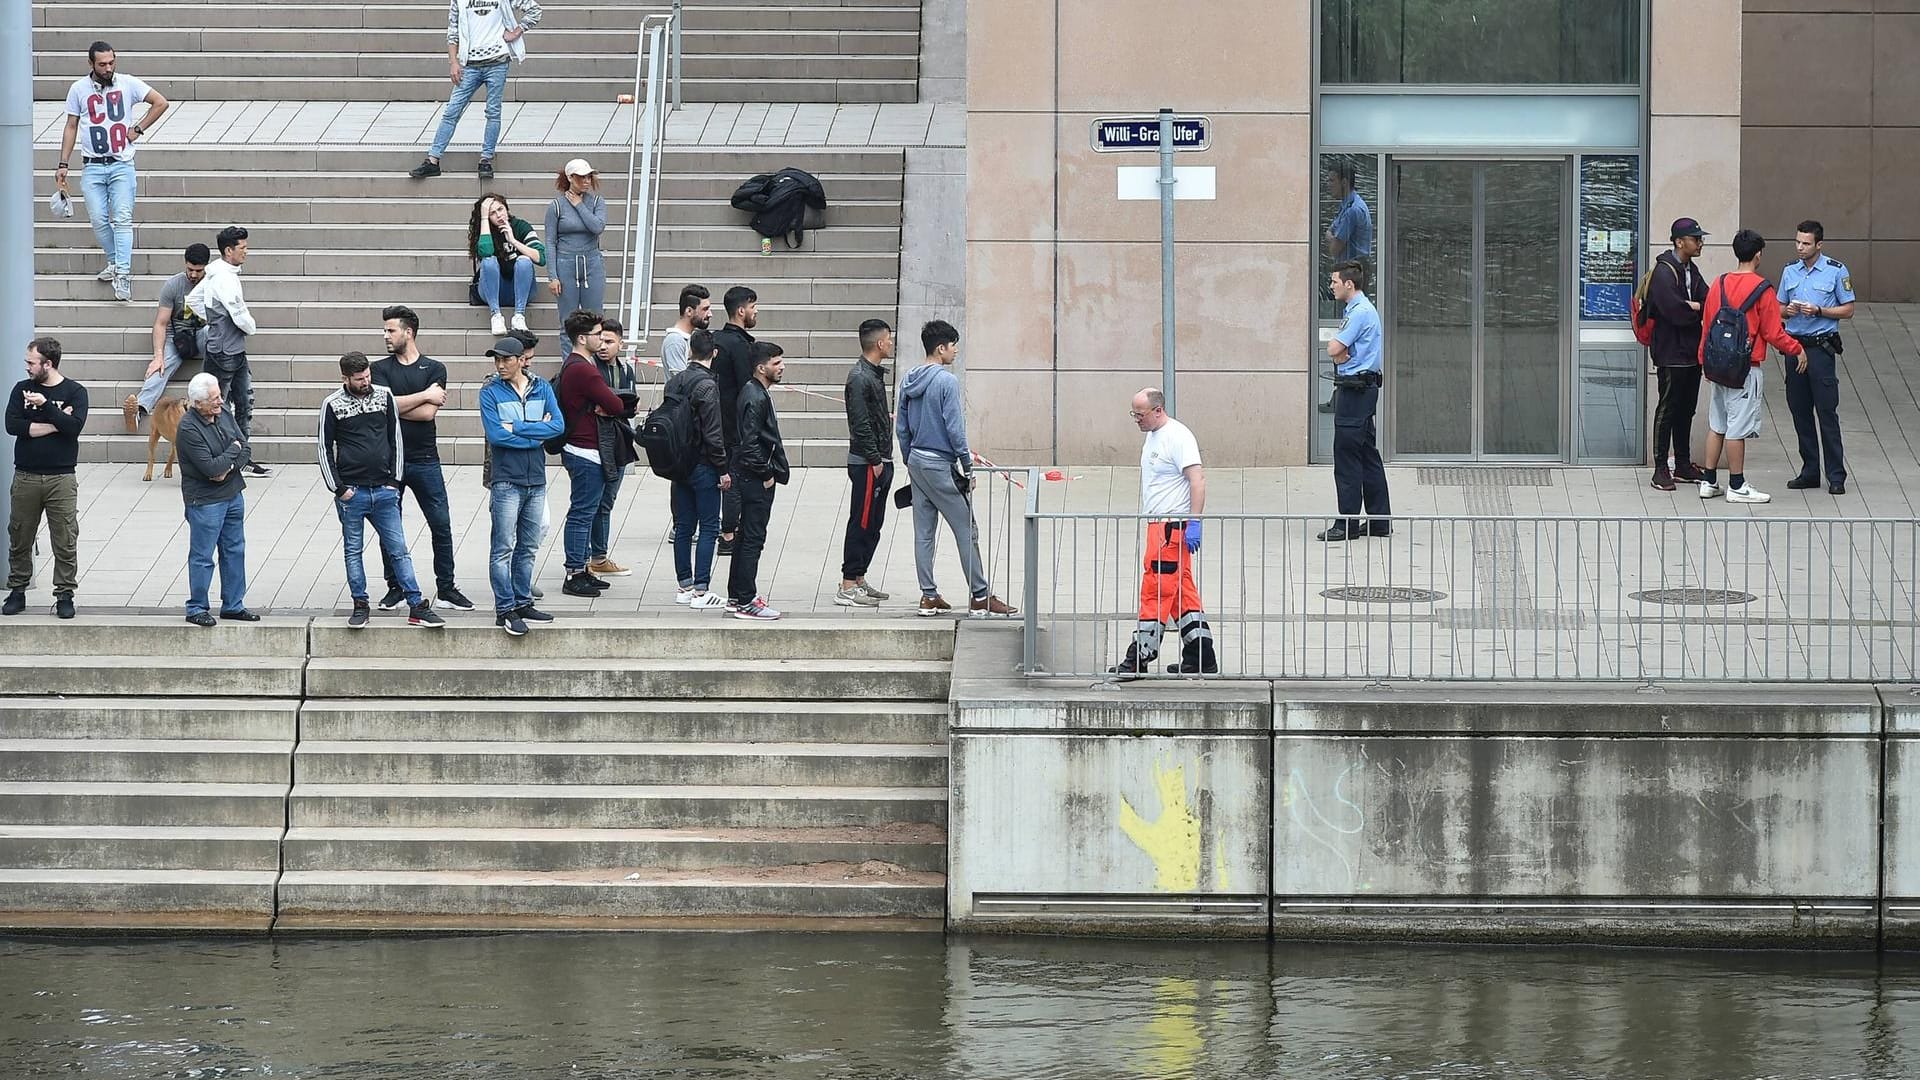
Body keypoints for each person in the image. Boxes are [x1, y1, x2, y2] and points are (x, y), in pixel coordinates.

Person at [896, 320, 1016, 618]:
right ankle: (979, 596)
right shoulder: (946, 382)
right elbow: (955, 429)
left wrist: (909, 458)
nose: (956, 351)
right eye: (953, 346)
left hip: (917, 462)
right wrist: (967, 467)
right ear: (941, 348)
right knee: (967, 530)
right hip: (940, 464)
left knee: (924, 533)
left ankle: (928, 596)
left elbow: (901, 426)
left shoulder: (909, 378)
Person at [318, 352, 445, 629]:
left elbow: (395, 439)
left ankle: (416, 604)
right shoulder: (332, 404)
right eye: (359, 379)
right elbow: (324, 448)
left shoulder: (384, 396)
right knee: (353, 550)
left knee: (399, 549)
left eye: (367, 376)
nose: (365, 382)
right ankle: (360, 604)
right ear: (345, 379)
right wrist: (339, 489)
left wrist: (394, 482)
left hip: (384, 489)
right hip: (352, 491)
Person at [372, 305, 473, 612]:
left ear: (409, 332)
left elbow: (429, 413)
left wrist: (403, 404)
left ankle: (446, 587)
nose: (386, 336)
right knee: (390, 527)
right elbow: (383, 407)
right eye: (385, 330)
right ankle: (396, 587)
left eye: (391, 330)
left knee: (441, 524)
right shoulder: (379, 369)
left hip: (425, 458)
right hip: (391, 461)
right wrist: (423, 395)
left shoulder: (434, 368)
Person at [1111, 388, 1217, 676]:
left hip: (1169, 528)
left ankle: (1139, 656)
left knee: (1155, 589)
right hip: (1164, 526)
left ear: (1158, 410)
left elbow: (1198, 480)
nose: (1136, 420)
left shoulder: (1178, 437)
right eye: (1133, 414)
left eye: (1140, 414)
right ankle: (1201, 656)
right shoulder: (1155, 435)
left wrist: (1194, 521)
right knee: (1182, 593)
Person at [1696, 229, 1804, 506]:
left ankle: (1708, 481)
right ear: (1757, 255)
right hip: (1745, 367)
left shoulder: (1718, 284)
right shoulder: (1762, 289)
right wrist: (1797, 349)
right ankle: (1737, 484)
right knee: (1737, 428)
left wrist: (1703, 361)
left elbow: (1707, 328)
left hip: (1717, 365)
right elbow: (1772, 332)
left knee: (1717, 424)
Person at [56, 41, 168, 303]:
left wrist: (138, 129)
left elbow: (160, 102)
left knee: (123, 218)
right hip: (93, 164)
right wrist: (63, 163)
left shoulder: (126, 83)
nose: (108, 69)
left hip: (121, 163)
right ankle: (115, 262)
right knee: (97, 218)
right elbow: (71, 125)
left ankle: (123, 273)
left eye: (111, 63)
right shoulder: (79, 89)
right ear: (91, 64)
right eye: (102, 64)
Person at [479, 336, 563, 634]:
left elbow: (558, 426)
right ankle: (505, 608)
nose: (500, 365)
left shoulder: (542, 387)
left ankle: (523, 600)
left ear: (521, 361)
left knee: (527, 545)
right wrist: (537, 433)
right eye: (497, 360)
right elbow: (496, 436)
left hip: (535, 479)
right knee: (502, 547)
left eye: (506, 360)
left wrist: (518, 427)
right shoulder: (490, 393)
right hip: (506, 481)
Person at [409, 0, 543, 181]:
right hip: (470, 64)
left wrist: (516, 32)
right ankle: (433, 160)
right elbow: (453, 30)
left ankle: (486, 159)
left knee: (493, 111)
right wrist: (453, 62)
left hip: (497, 61)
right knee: (452, 111)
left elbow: (534, 9)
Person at [4, 338, 88, 620]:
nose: (27, 367)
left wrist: (46, 407)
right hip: (26, 474)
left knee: (64, 538)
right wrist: (56, 423)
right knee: (20, 534)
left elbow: (74, 428)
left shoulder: (75, 392)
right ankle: (18, 589)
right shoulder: (21, 389)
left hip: (61, 477)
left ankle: (64, 593)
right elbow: (13, 425)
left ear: (47, 364)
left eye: (31, 362)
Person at [554, 310, 630, 598]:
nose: (601, 339)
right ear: (582, 338)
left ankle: (583, 567)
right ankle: (574, 572)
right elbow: (616, 403)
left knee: (585, 511)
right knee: (582, 513)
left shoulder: (576, 364)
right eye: (597, 334)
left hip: (584, 448)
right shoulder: (582, 368)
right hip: (584, 450)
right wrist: (609, 404)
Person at [1779, 219, 1855, 495]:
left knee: (1826, 411)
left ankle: (1836, 475)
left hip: (1821, 348)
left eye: (1806, 243)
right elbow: (1779, 308)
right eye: (1798, 241)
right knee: (1799, 411)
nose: (1800, 247)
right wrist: (1790, 311)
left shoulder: (1835, 271)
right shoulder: (1790, 271)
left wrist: (1819, 311)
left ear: (1819, 244)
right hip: (1794, 345)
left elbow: (1848, 309)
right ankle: (1809, 470)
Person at [187, 226, 269, 476]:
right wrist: (241, 325)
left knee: (241, 400)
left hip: (227, 348)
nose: (246, 252)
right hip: (226, 350)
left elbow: (193, 300)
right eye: (242, 248)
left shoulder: (215, 271)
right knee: (222, 403)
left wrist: (213, 320)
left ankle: (241, 454)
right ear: (228, 250)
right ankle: (229, 454)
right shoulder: (225, 277)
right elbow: (240, 315)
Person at [1319, 260, 1390, 542]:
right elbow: (1338, 352)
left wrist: (1340, 352)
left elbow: (1334, 347)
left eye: (1335, 281)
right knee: (1366, 455)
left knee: (1347, 457)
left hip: (1356, 390)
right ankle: (1379, 520)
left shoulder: (1359, 312)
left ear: (1350, 284)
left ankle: (1347, 522)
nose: (1331, 285)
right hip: (1362, 388)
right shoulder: (1360, 309)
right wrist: (1340, 353)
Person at [175, 373, 252, 626]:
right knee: (202, 555)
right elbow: (210, 469)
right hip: (205, 501)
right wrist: (233, 452)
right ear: (197, 403)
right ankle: (196, 607)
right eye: (213, 399)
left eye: (219, 396)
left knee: (234, 550)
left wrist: (228, 466)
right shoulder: (188, 428)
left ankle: (233, 605)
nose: (220, 402)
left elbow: (244, 446)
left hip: (232, 493)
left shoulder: (224, 412)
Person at [666, 329, 729, 609]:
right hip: (703, 463)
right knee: (709, 526)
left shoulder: (676, 381)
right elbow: (713, 433)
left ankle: (684, 586)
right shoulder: (707, 385)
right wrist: (723, 468)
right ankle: (702, 591)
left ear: (690, 350)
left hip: (678, 463)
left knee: (683, 526)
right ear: (714, 353)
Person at [1646, 218, 1711, 491]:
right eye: (1696, 239)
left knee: (1687, 409)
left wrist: (1695, 306)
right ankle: (1661, 468)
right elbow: (1674, 311)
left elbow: (1708, 302)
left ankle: (1683, 464)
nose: (1700, 243)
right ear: (1679, 241)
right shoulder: (1664, 272)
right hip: (1670, 351)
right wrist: (1695, 308)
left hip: (1690, 351)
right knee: (1668, 408)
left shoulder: (1690, 270)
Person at [728, 342, 790, 620]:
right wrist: (766, 475)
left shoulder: (755, 393)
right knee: (753, 538)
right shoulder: (755, 397)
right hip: (754, 478)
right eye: (776, 363)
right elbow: (749, 443)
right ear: (761, 367)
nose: (782, 367)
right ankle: (746, 600)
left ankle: (737, 595)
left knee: (745, 538)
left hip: (750, 475)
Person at [837, 318, 895, 608]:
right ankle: (848, 582)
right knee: (861, 521)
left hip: (879, 458)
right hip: (867, 462)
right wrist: (874, 459)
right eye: (889, 339)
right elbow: (860, 424)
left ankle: (859, 576)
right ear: (879, 343)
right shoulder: (860, 377)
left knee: (874, 523)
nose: (892, 343)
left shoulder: (872, 375)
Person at [126, 243, 208, 431]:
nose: (193, 274)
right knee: (161, 366)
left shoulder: (214, 284)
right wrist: (158, 356)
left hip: (203, 335)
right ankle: (139, 408)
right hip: (178, 338)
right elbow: (161, 323)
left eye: (198, 270)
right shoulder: (173, 285)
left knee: (215, 333)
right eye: (190, 269)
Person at [586, 317, 638, 579]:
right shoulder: (590, 368)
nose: (604, 346)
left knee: (607, 502)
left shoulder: (627, 370)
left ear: (621, 342)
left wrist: (613, 406)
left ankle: (599, 556)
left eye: (610, 341)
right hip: (595, 441)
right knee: (591, 502)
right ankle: (587, 557)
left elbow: (631, 405)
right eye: (601, 340)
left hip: (619, 440)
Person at [711, 286, 759, 555]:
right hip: (733, 425)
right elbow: (746, 388)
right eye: (753, 307)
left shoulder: (717, 340)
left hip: (716, 420)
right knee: (733, 479)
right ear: (741, 311)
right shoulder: (739, 345)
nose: (756, 312)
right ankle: (729, 534)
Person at [545, 159, 607, 355]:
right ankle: (570, 365)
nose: (586, 181)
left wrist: (580, 205)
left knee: (596, 318)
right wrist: (553, 276)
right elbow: (549, 241)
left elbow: (597, 227)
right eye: (581, 177)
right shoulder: (556, 206)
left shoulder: (597, 202)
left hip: (591, 262)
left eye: (589, 176)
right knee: (568, 320)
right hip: (566, 263)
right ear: (571, 178)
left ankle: (596, 365)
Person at [469, 194, 547, 339]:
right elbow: (485, 252)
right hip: (492, 292)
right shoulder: (485, 230)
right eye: (492, 213)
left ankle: (519, 316)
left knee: (524, 260)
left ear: (507, 208)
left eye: (500, 209)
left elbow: (541, 258)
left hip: (521, 291)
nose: (499, 215)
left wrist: (513, 240)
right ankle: (496, 316)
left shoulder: (520, 226)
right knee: (488, 261)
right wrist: (484, 219)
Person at [1324, 160, 1372, 263]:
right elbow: (1329, 231)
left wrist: (1331, 238)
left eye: (1332, 180)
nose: (1329, 185)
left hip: (1352, 272)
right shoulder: (1346, 205)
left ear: (1344, 182)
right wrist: (1333, 238)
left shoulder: (1352, 210)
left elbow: (1334, 250)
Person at [661, 284, 711, 376]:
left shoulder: (687, 339)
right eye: (705, 309)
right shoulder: (675, 341)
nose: (710, 314)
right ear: (689, 311)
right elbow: (682, 383)